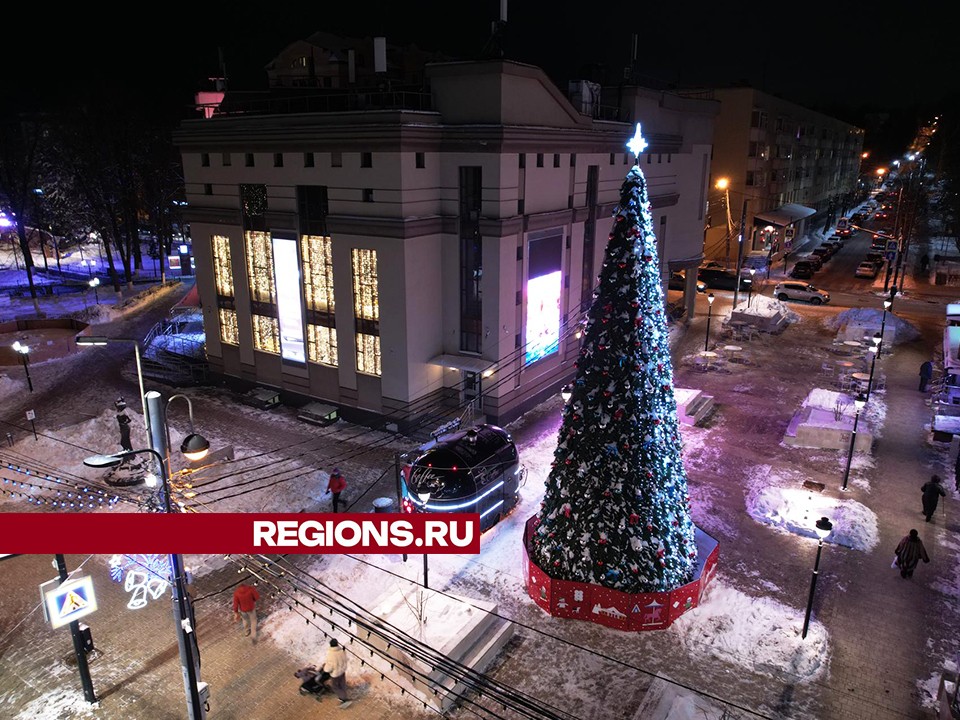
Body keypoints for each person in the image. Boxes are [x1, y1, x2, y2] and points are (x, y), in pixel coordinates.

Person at [321, 638, 351, 707]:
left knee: (335, 686)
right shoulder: (342, 651)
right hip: (342, 671)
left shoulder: (330, 654)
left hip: (335, 674)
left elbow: (329, 667)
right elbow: (346, 660)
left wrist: (325, 669)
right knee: (342, 684)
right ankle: (344, 695)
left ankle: (343, 698)